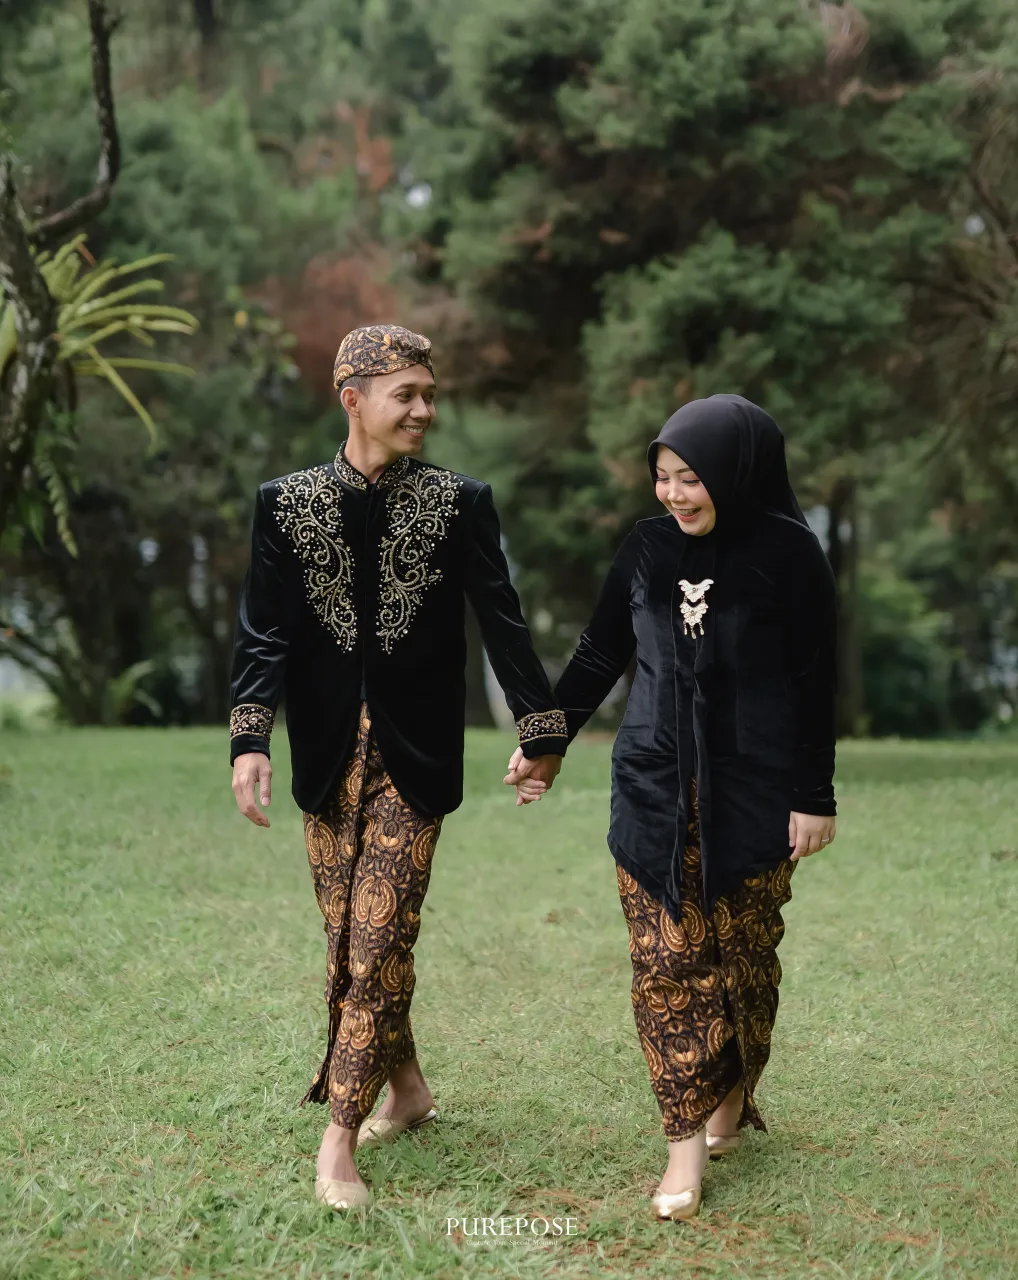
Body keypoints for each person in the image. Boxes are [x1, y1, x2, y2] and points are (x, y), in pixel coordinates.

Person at [229, 324, 567, 1211]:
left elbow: (502, 620)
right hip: (325, 756)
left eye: (429, 394)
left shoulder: (460, 502)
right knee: (350, 937)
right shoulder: (286, 503)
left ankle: (339, 1138)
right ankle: (408, 1090)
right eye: (405, 395)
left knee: (378, 941)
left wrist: (542, 729)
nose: (425, 410)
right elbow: (264, 631)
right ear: (354, 399)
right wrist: (250, 739)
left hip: (416, 757)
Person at [507, 394, 837, 1221]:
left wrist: (813, 796)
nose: (674, 494)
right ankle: (682, 1144)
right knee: (665, 965)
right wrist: (546, 738)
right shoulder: (647, 548)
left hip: (755, 791)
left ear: (736, 473)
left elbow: (815, 682)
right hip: (651, 785)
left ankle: (732, 1087)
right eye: (662, 477)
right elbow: (599, 651)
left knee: (746, 961)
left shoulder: (789, 553)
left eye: (691, 478)